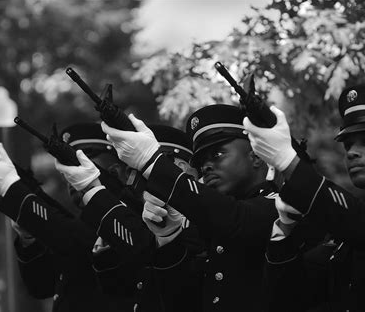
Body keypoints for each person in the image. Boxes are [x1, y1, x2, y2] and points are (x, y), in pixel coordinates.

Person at [101, 105, 280, 311]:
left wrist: (151, 162)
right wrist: (169, 239)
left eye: (218, 154)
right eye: (202, 161)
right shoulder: (214, 220)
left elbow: (236, 218)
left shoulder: (279, 203)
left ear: (256, 156)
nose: (206, 166)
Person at [0, 123, 134, 312]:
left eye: (78, 165)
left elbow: (76, 241)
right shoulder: (79, 225)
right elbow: (41, 287)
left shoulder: (129, 220)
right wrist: (29, 238)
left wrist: (13, 190)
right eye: (66, 168)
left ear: (114, 172)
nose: (70, 175)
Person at [243, 84, 365, 311]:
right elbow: (289, 300)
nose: (352, 152)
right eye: (348, 144)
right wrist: (285, 230)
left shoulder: (353, 221)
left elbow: (358, 222)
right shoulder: (342, 237)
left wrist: (290, 163)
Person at [55, 124, 200, 312]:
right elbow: (118, 288)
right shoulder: (137, 216)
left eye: (145, 170)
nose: (132, 180)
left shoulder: (201, 220)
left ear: (180, 168)